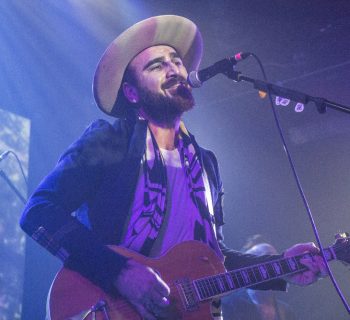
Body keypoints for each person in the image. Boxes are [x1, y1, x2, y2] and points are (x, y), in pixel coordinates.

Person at [20, 15, 326, 320]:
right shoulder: (112, 140)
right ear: (131, 92)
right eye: (157, 65)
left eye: (177, 61)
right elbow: (39, 212)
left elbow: (214, 262)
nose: (174, 69)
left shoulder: (206, 165)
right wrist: (119, 272)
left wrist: (283, 266)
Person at [222, 237, 297, 320]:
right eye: (267, 257)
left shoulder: (286, 310)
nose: (277, 264)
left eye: (275, 257)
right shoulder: (228, 305)